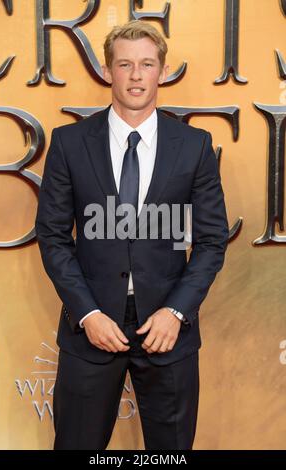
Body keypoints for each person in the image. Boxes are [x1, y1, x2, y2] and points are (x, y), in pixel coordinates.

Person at [35, 19, 229, 450]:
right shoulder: (68, 143)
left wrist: (175, 312)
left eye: (146, 64)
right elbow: (52, 237)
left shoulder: (194, 145)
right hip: (92, 329)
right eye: (125, 65)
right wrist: (87, 314)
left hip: (167, 331)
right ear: (108, 71)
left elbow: (211, 242)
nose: (136, 75)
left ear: (162, 71)